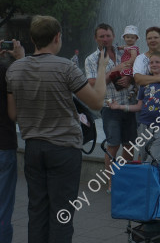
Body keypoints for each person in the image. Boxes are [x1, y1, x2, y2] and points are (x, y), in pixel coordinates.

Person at [6, 15, 109, 243]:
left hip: (33, 148)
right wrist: (102, 68)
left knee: (37, 211)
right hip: (64, 150)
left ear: (32, 39)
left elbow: (13, 114)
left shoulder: (14, 70)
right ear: (57, 37)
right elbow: (96, 103)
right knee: (61, 213)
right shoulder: (65, 67)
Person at [84, 23, 136, 193]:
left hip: (128, 104)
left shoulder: (125, 52)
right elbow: (92, 84)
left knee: (129, 145)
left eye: (108, 36)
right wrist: (114, 71)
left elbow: (138, 73)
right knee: (113, 145)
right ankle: (112, 183)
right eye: (101, 36)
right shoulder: (92, 59)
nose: (105, 39)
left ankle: (126, 180)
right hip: (109, 107)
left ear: (113, 36)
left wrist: (130, 80)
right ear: (96, 38)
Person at [111, 51, 160, 162]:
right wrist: (119, 107)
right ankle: (145, 178)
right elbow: (139, 106)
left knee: (152, 160)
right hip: (144, 126)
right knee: (143, 159)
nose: (154, 64)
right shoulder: (144, 84)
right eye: (151, 62)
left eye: (157, 62)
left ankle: (150, 177)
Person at [0, 39, 24, 243]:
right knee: (3, 206)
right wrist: (20, 58)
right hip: (3, 144)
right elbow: (14, 112)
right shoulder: (6, 71)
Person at [109, 25, 140, 90]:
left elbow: (134, 57)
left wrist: (128, 63)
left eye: (132, 38)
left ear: (136, 39)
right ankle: (130, 88)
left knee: (125, 76)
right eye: (127, 37)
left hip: (129, 65)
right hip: (126, 64)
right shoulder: (127, 46)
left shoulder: (133, 48)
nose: (129, 39)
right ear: (124, 37)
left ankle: (131, 87)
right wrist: (119, 48)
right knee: (122, 77)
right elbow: (124, 47)